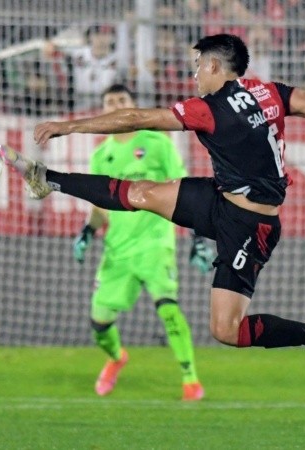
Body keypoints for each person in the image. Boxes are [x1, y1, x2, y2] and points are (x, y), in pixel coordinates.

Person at [0, 34, 305, 389]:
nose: (194, 74)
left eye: (197, 66)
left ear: (213, 65)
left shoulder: (208, 108)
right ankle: (45, 178)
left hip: (252, 225)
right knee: (139, 193)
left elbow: (137, 118)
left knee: (225, 330)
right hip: (219, 199)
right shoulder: (271, 92)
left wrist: (68, 126)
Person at [71, 83, 215, 401]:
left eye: (122, 100)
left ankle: (190, 380)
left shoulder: (156, 143)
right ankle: (116, 358)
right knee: (100, 322)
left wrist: (197, 238)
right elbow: (99, 208)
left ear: (133, 104)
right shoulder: (100, 155)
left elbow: (185, 190)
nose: (116, 105)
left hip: (155, 243)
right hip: (117, 250)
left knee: (167, 307)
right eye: (110, 102)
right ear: (103, 111)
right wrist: (86, 231)